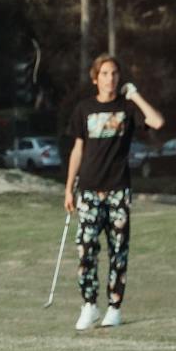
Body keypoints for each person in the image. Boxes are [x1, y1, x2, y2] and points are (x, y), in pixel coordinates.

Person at [63, 54, 164, 331]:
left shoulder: (127, 109)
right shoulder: (84, 109)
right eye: (105, 73)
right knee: (86, 250)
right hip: (89, 191)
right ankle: (89, 305)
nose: (111, 78)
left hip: (118, 190)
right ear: (95, 78)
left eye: (115, 74)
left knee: (118, 251)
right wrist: (69, 188)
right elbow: (77, 149)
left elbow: (156, 122)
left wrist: (136, 96)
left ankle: (114, 308)